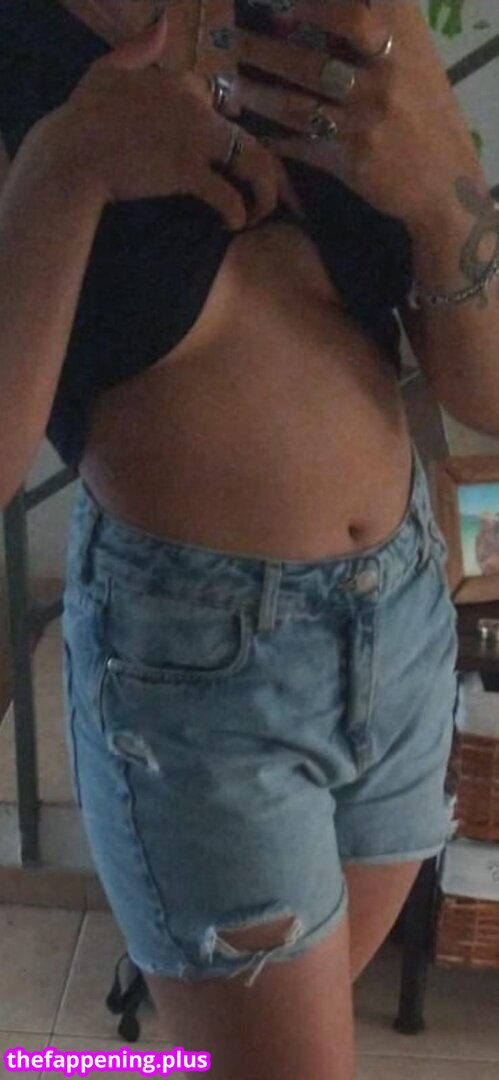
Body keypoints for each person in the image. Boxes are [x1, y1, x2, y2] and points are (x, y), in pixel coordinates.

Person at [1, 1, 498, 1076]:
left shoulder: (348, 17)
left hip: (400, 625)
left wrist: (434, 191)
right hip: (192, 672)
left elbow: (486, 388)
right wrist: (64, 168)